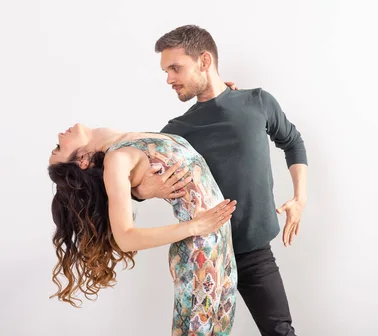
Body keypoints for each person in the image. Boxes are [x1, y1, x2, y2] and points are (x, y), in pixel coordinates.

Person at [132, 25, 308, 336]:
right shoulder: (178, 129)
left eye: (175, 68)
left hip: (254, 252)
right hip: (204, 256)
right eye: (165, 71)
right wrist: (144, 190)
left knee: (281, 332)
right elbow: (134, 178)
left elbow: (292, 142)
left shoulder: (257, 102)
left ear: (204, 60)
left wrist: (300, 197)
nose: (169, 79)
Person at [48, 124, 238, 336]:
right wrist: (194, 226)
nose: (59, 134)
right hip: (199, 253)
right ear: (81, 161)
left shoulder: (122, 140)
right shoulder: (116, 160)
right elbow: (125, 238)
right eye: (58, 147)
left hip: (221, 247)